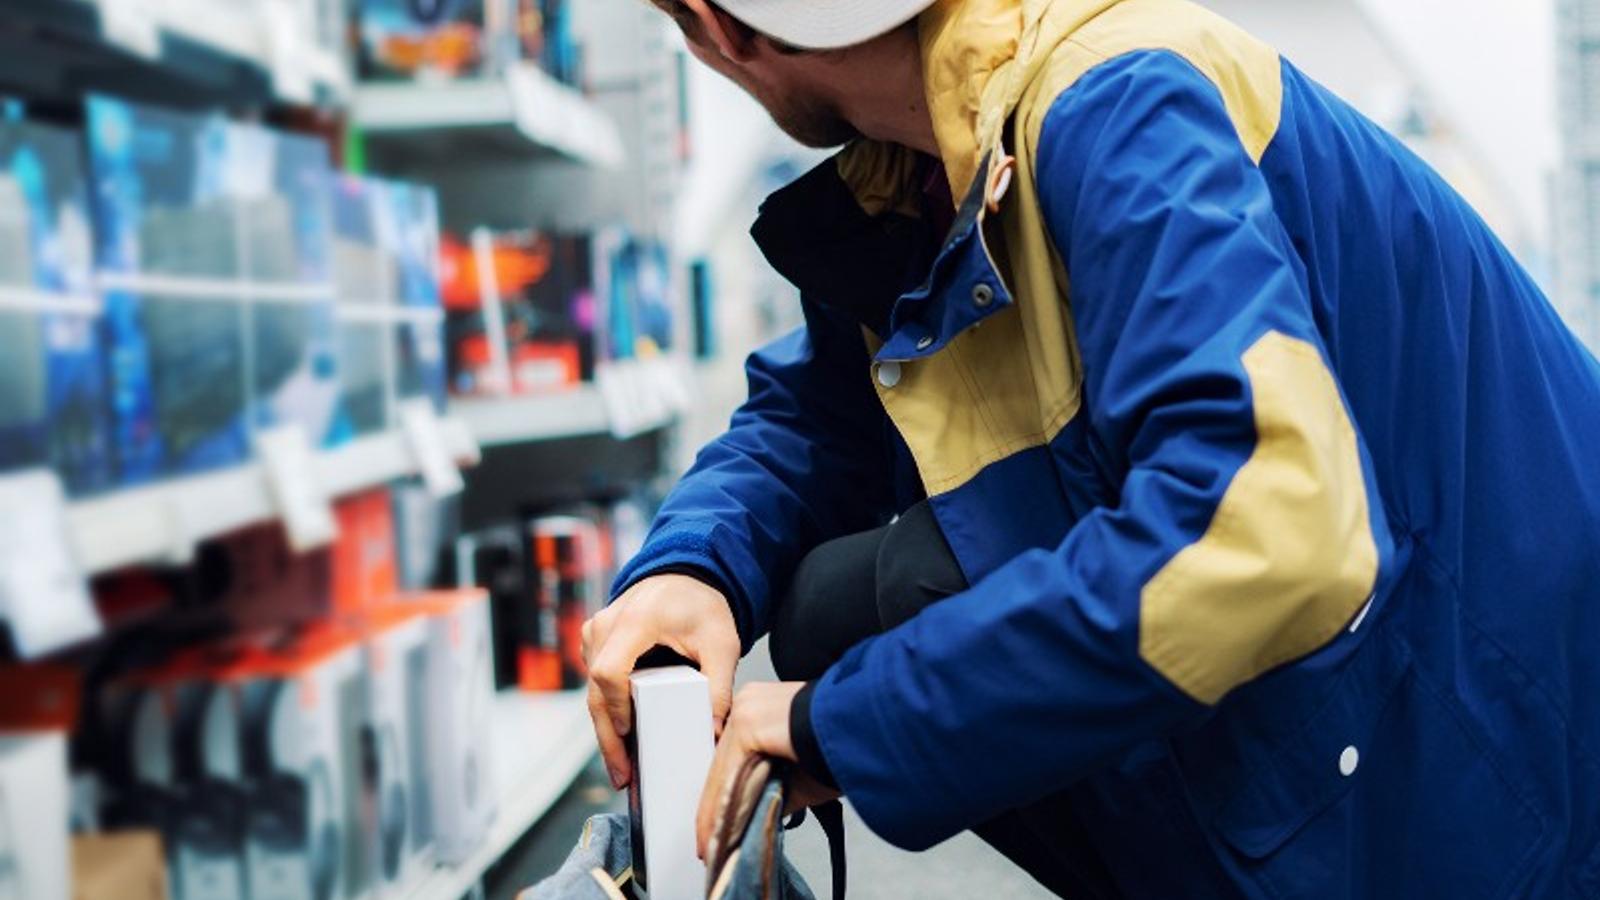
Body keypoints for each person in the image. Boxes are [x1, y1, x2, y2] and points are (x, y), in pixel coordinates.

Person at [582, 0, 1600, 895]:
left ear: (718, 31)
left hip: (1496, 784)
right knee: (837, 604)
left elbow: (1264, 532)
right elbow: (817, 415)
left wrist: (846, 725)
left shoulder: (1119, 105)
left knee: (866, 608)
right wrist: (692, 568)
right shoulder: (927, 166)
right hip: (1353, 764)